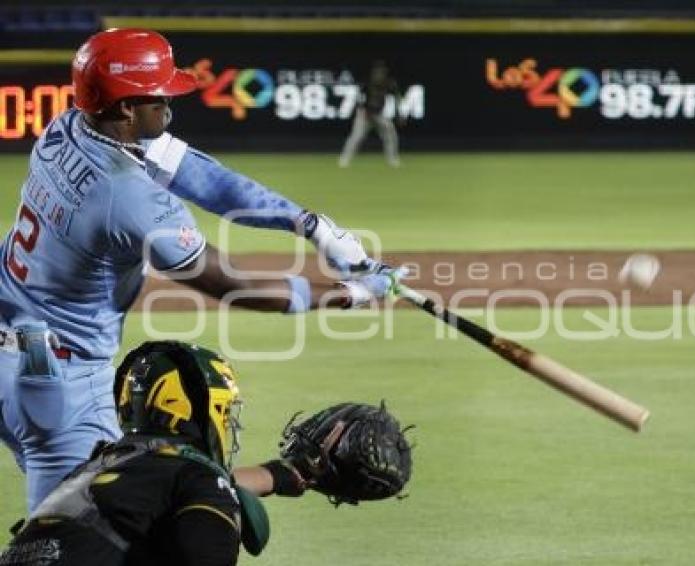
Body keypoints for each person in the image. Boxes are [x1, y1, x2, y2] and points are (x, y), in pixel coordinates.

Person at [0, 28, 403, 513]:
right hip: (57, 382)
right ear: (126, 107)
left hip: (12, 343)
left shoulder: (68, 127)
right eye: (159, 94)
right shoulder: (129, 196)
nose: (170, 102)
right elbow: (231, 283)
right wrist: (352, 292)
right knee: (110, 526)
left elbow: (199, 174)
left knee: (92, 517)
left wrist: (310, 225)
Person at [0, 341, 412, 565]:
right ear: (203, 408)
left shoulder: (105, 466)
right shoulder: (196, 482)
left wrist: (286, 474)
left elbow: (198, 484)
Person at [338, 60, 403, 168]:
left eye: (382, 72)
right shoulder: (367, 83)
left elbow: (397, 98)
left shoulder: (389, 83)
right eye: (377, 72)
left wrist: (400, 114)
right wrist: (364, 112)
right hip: (364, 115)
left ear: (385, 73)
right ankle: (344, 160)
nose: (379, 74)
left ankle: (392, 160)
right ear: (373, 73)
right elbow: (359, 99)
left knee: (391, 134)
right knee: (357, 137)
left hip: (378, 114)